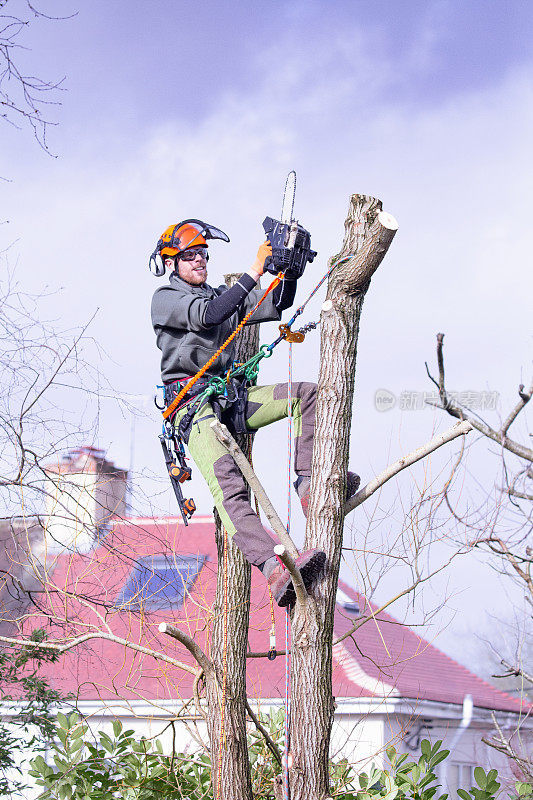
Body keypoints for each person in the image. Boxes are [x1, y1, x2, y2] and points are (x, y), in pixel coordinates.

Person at [150, 220, 359, 606]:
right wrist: (256, 268)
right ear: (171, 260)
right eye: (191, 254)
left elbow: (275, 304)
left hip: (231, 399)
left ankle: (311, 487)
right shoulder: (166, 299)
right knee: (230, 486)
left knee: (306, 395)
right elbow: (210, 315)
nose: (201, 260)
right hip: (193, 408)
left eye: (204, 254)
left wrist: (287, 271)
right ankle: (273, 568)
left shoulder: (219, 294)